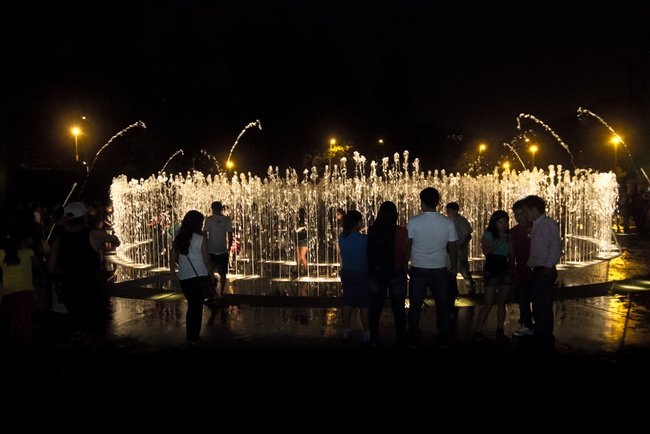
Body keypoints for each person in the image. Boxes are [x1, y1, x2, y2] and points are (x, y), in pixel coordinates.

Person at [47, 201, 120, 348]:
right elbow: (116, 241)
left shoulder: (58, 241)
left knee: (78, 327)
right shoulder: (94, 235)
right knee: (95, 330)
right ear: (84, 218)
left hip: (70, 292)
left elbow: (50, 269)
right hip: (91, 291)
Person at [406, 187, 458, 347]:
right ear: (437, 202)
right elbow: (453, 247)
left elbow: (408, 246)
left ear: (422, 202)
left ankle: (414, 335)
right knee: (442, 305)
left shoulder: (414, 221)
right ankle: (443, 336)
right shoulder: (447, 222)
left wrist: (405, 264)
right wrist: (454, 267)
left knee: (415, 304)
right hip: (439, 269)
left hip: (418, 268)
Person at [523, 195, 562, 349]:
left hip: (544, 270)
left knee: (543, 306)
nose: (525, 214)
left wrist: (547, 266)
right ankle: (541, 334)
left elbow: (555, 246)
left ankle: (545, 338)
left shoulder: (547, 224)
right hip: (538, 269)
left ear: (535, 210)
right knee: (539, 305)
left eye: (526, 211)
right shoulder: (537, 225)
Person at [367, 201, 408, 346]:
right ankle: (401, 337)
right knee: (398, 307)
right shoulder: (402, 231)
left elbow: (370, 253)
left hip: (377, 272)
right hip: (396, 271)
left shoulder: (373, 230)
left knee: (376, 307)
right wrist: (404, 265)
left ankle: (374, 338)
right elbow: (405, 252)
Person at [171, 210, 215, 346]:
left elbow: (172, 260)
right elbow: (207, 260)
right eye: (201, 222)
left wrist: (174, 275)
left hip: (184, 278)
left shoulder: (178, 239)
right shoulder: (200, 239)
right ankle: (194, 338)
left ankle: (190, 337)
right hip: (199, 277)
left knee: (192, 307)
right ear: (197, 224)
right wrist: (211, 276)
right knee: (197, 308)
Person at [0, 216, 40, 348]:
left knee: (13, 319)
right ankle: (26, 343)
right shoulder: (28, 253)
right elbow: (37, 267)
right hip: (26, 289)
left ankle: (16, 343)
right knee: (26, 318)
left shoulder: (1, 254)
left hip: (9, 290)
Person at [473, 210, 513, 340]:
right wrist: (500, 241)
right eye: (501, 222)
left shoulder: (509, 235)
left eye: (506, 221)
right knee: (488, 302)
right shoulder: (489, 234)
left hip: (504, 268)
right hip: (492, 268)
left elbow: (511, 254)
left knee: (502, 302)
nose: (504, 224)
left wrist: (513, 267)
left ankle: (500, 329)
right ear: (494, 223)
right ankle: (478, 330)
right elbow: (486, 251)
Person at [338, 210, 370, 343]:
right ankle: (367, 332)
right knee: (364, 304)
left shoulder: (342, 237)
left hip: (347, 272)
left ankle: (345, 330)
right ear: (358, 223)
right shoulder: (364, 239)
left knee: (348, 302)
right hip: (362, 273)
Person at [510, 199, 534, 337]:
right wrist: (513, 269)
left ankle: (534, 325)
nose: (519, 217)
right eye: (516, 215)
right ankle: (526, 323)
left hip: (535, 269)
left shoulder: (535, 227)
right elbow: (511, 254)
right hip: (521, 270)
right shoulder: (513, 232)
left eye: (521, 214)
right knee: (523, 299)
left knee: (535, 299)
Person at [445, 202, 475, 294]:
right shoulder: (447, 221)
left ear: (455, 211)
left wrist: (463, 245)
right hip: (450, 251)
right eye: (447, 211)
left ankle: (471, 287)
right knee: (450, 271)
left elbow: (469, 236)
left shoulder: (462, 221)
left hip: (460, 252)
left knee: (464, 271)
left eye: (449, 211)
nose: (447, 213)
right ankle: (452, 290)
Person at [204, 201, 233, 297]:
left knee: (210, 271)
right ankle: (221, 292)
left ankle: (213, 291)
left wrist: (204, 245)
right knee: (223, 273)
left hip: (211, 249)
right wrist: (229, 247)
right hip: (222, 249)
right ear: (221, 209)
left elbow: (204, 234)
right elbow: (230, 234)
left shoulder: (209, 220)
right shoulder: (227, 220)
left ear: (212, 209)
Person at [295, 208, 308, 276]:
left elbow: (306, 227)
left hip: (303, 239)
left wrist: (298, 229)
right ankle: (298, 270)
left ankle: (306, 270)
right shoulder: (298, 219)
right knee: (298, 256)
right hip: (298, 239)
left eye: (299, 212)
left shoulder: (305, 220)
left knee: (302, 256)